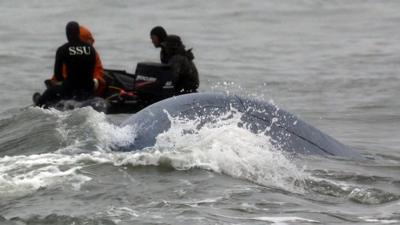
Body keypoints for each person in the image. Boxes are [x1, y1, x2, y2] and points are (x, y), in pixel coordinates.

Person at [35, 21, 97, 107]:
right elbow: (92, 70)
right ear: (78, 33)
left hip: (70, 89)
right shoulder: (91, 49)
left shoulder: (62, 49)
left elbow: (58, 75)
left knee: (50, 92)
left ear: (67, 34)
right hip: (88, 89)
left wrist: (65, 83)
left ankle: (38, 102)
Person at [47, 25, 105, 97]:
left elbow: (58, 76)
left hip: (79, 88)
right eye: (87, 41)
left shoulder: (64, 50)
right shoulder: (91, 52)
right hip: (80, 89)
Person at [150, 26, 199, 93]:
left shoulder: (176, 56)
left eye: (153, 38)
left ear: (159, 37)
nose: (152, 41)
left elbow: (172, 76)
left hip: (187, 88)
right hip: (180, 85)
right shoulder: (165, 51)